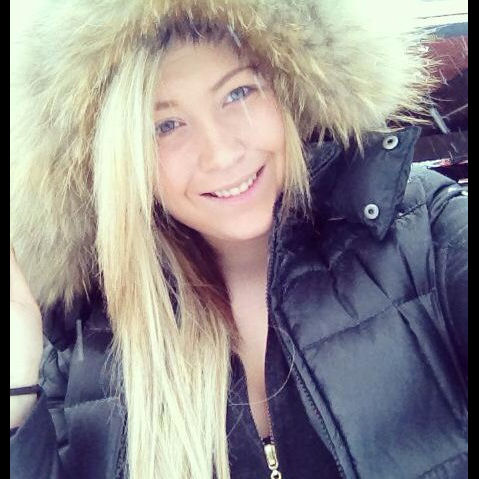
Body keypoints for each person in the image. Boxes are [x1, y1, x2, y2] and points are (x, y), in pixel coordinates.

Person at [10, 0, 468, 478]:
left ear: (288, 91)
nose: (221, 153)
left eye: (238, 92)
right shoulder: (80, 347)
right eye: (164, 125)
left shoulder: (425, 227)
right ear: (120, 162)